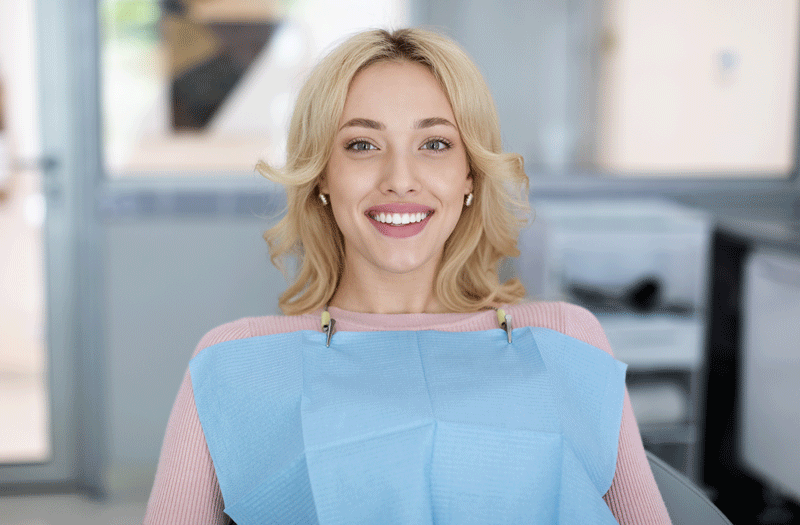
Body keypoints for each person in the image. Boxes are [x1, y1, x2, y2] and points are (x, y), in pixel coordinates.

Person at [143, 28, 672, 524]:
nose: (400, 179)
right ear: (323, 175)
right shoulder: (235, 364)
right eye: (362, 145)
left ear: (470, 174)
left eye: (435, 144)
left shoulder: (566, 341)